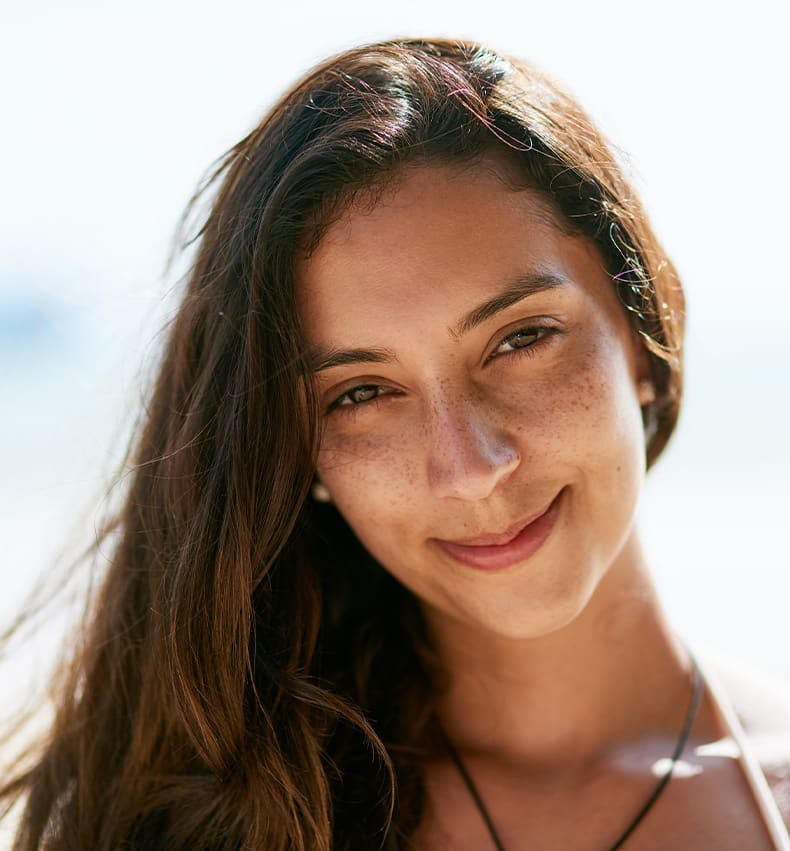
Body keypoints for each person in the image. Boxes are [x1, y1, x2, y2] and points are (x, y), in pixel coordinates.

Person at [2, 37, 790, 851]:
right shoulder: (200, 821)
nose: (472, 469)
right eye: (362, 393)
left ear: (642, 335)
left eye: (519, 338)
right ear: (298, 454)